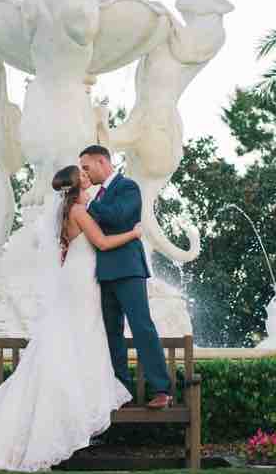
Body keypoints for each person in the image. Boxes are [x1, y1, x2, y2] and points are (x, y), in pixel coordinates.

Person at [0, 165, 143, 471]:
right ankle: (77, 397)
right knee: (83, 332)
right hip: (82, 279)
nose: (86, 176)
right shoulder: (80, 212)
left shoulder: (66, 211)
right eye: (82, 175)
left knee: (72, 335)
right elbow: (104, 243)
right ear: (76, 184)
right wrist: (134, 233)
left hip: (75, 276)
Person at [79, 144, 172, 410]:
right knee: (112, 334)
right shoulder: (96, 196)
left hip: (129, 270)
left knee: (142, 327)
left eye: (86, 167)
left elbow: (120, 217)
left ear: (101, 162)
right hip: (104, 274)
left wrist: (89, 206)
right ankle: (122, 392)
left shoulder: (128, 187)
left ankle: (162, 390)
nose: (85, 173)